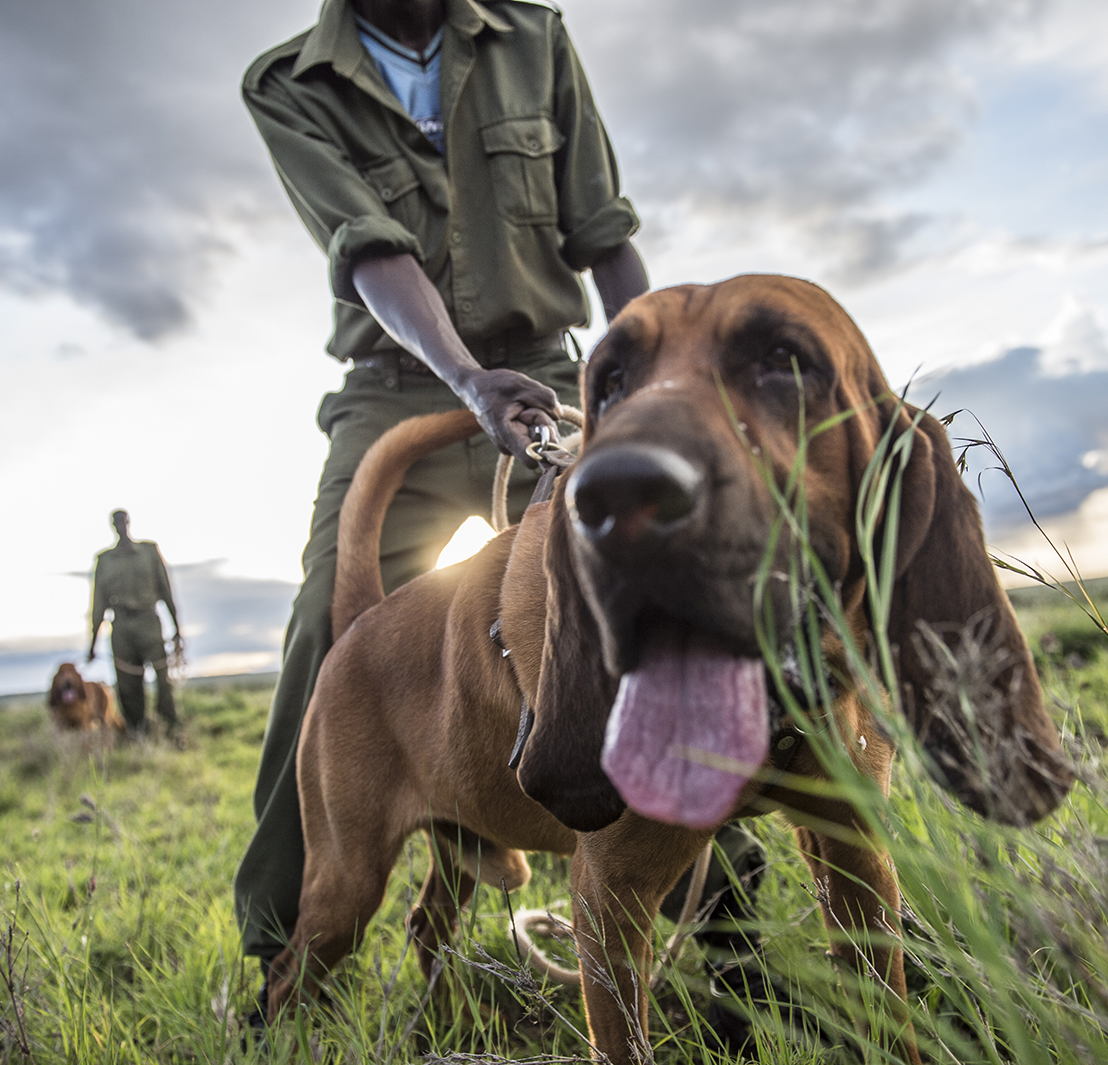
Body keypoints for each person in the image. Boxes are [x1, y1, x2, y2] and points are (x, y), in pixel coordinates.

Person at [235, 0, 766, 1043]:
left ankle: (732, 937)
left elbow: (603, 234)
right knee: (322, 631)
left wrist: (649, 386)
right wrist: (467, 382)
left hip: (559, 369)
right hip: (398, 378)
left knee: (662, 592)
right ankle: (277, 955)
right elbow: (368, 248)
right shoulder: (289, 82)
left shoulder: (532, 36)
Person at [88, 509, 183, 735]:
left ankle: (171, 728)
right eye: (116, 522)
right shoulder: (105, 560)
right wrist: (91, 645)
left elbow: (166, 591)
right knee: (127, 684)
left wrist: (177, 629)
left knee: (163, 680)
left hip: (148, 621)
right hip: (121, 626)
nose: (121, 525)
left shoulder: (148, 552)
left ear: (129, 522)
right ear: (112, 525)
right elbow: (98, 605)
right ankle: (138, 732)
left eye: (124, 521)